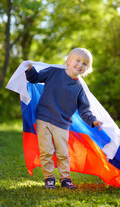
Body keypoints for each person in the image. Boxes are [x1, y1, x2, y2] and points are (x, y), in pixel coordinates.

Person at [25, 47, 103, 189]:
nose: (80, 65)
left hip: (62, 123)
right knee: (46, 151)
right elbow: (35, 78)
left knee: (63, 153)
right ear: (68, 60)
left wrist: (93, 120)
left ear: (87, 69)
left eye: (85, 64)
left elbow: (84, 109)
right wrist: (30, 70)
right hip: (43, 118)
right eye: (77, 60)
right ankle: (49, 178)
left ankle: (65, 179)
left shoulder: (79, 88)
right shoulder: (54, 72)